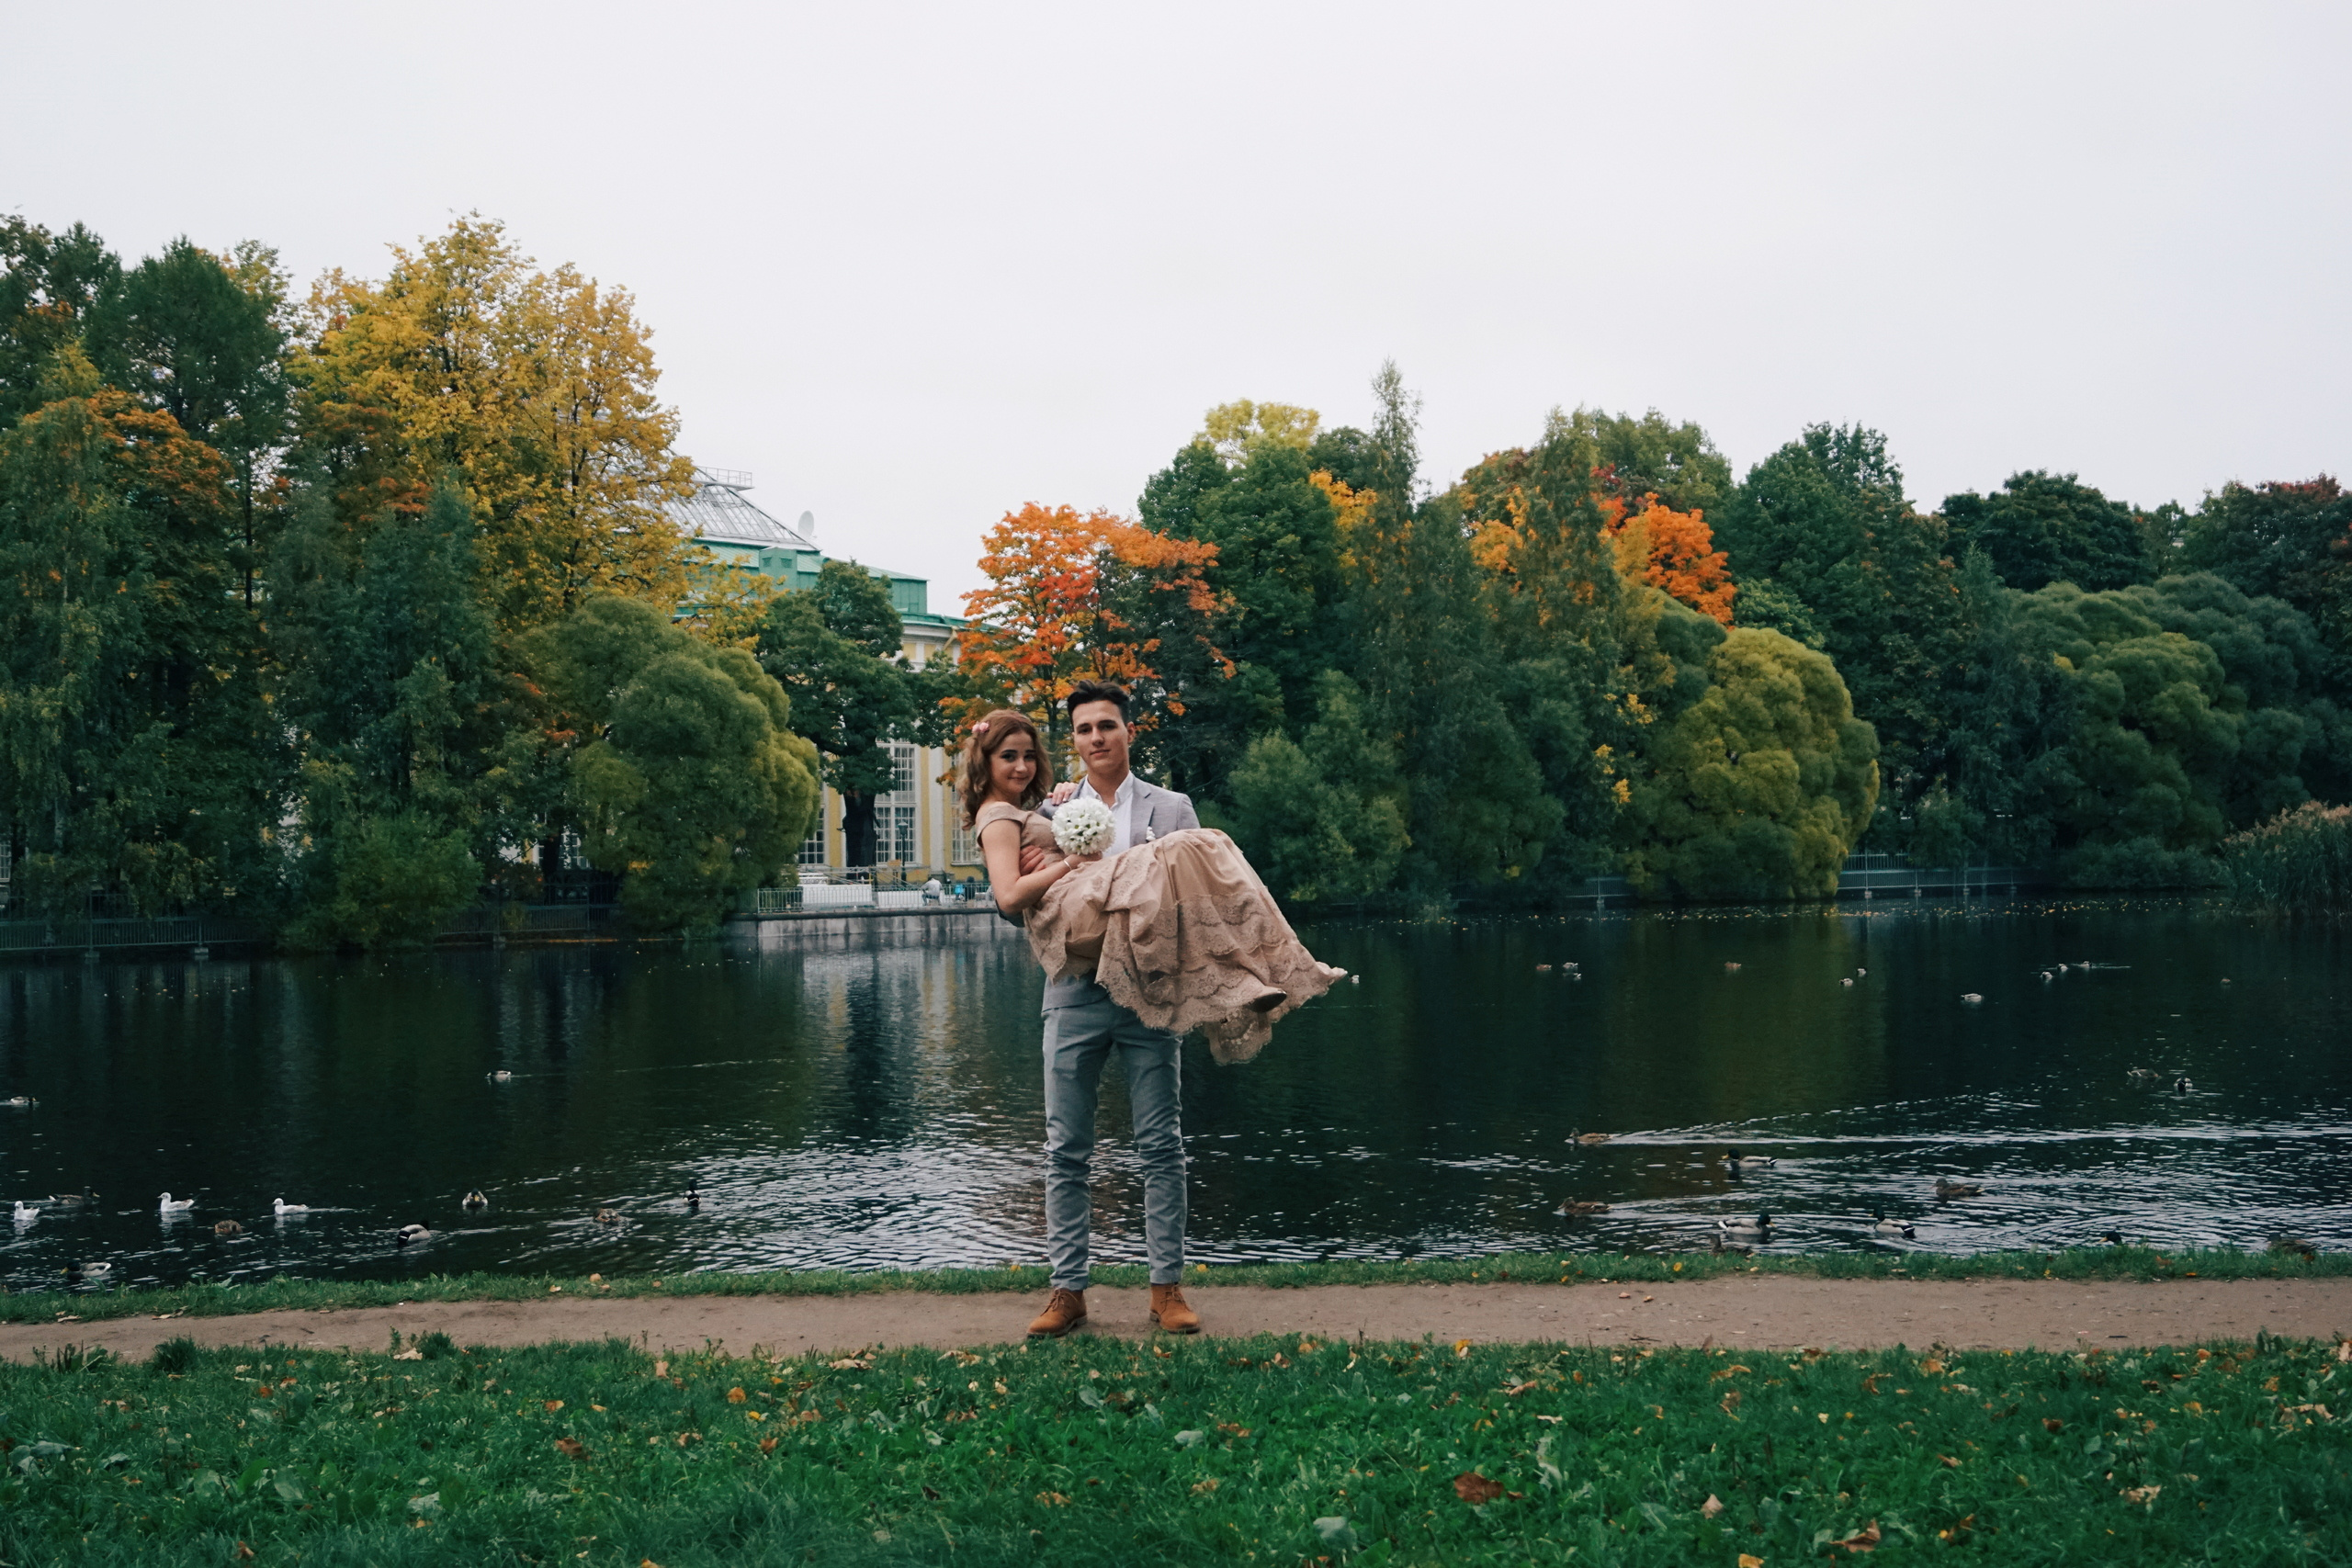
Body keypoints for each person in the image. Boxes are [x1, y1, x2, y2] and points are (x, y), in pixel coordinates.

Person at [966, 682, 1344, 1339]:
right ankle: (1067, 1292)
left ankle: (1166, 1287)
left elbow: (1203, 903)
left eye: (1106, 725)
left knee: (1162, 1145)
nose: (1095, 739)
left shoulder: (1172, 808)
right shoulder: (1050, 812)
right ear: (1075, 740)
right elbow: (1034, 907)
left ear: (1128, 732)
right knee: (1066, 1149)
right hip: (1075, 991)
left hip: (1152, 995)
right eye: (1083, 729)